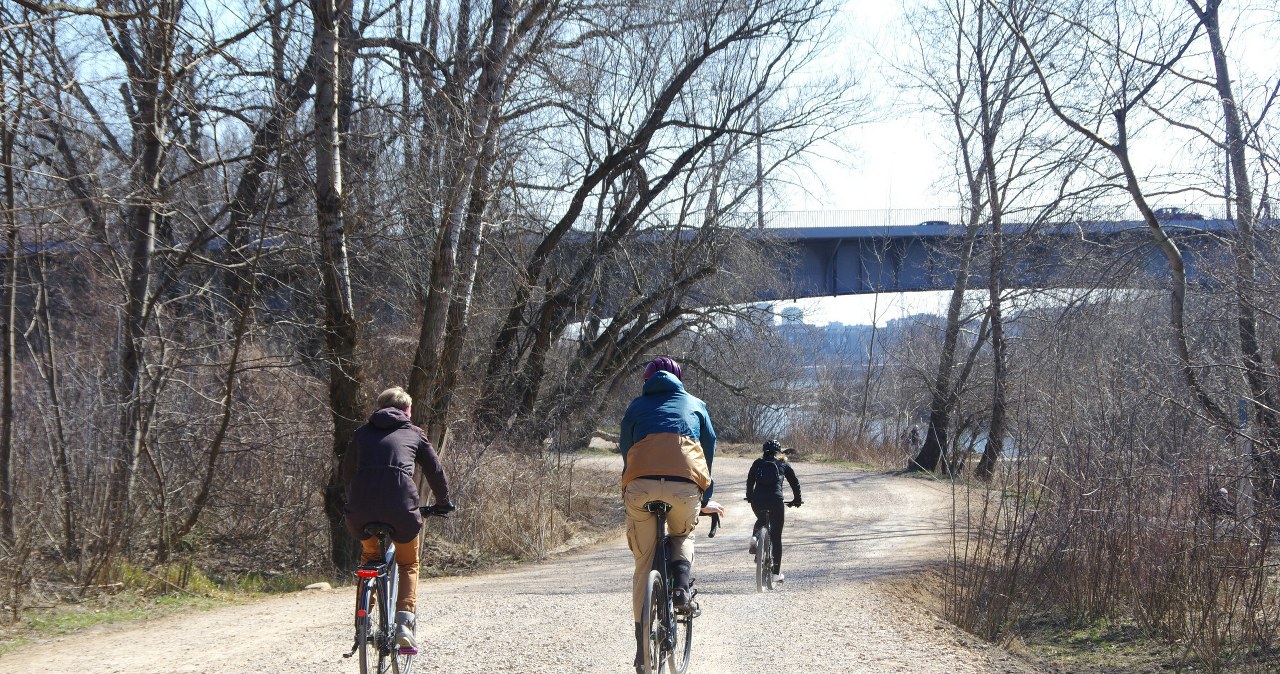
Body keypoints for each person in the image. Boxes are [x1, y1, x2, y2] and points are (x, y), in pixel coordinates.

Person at [619, 356, 723, 672]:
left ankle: (642, 653)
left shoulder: (636, 407)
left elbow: (626, 449)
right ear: (679, 379)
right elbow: (709, 446)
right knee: (682, 535)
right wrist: (705, 495)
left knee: (643, 563)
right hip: (685, 487)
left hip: (640, 486)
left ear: (646, 380)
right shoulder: (695, 404)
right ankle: (680, 587)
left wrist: (636, 477)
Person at [343, 386, 454, 650]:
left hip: (361, 511)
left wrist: (354, 503)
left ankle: (363, 622)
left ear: (379, 408)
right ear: (407, 411)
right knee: (408, 564)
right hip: (401, 510)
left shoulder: (360, 434)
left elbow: (347, 474)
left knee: (370, 558)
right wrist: (443, 503)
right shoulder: (414, 434)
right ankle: (404, 622)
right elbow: (435, 472)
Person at [745, 440, 802, 583]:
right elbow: (794, 482)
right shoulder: (782, 464)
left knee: (761, 519)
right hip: (776, 501)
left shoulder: (757, 463)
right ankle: (776, 574)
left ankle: (756, 538)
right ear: (778, 452)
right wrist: (797, 500)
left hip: (758, 500)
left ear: (764, 451)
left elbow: (750, 481)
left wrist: (750, 497)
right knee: (776, 537)